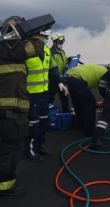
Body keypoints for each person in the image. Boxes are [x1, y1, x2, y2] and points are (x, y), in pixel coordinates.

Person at [0, 16, 45, 196]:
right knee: (9, 149)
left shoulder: (7, 50)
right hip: (9, 113)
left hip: (7, 111)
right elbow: (35, 47)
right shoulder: (8, 48)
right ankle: (5, 186)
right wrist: (33, 31)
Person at [24, 29, 68, 162]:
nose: (45, 39)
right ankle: (30, 150)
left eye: (46, 37)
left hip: (44, 92)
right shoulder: (26, 51)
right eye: (44, 36)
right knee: (33, 124)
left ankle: (39, 145)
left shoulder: (47, 51)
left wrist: (60, 81)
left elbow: (52, 68)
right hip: (31, 94)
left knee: (44, 122)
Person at [65, 64, 108, 137]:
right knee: (90, 104)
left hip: (69, 77)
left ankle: (80, 124)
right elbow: (102, 89)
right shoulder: (106, 75)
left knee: (78, 102)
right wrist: (107, 100)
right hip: (78, 79)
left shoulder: (101, 70)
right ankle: (90, 131)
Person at [49, 32, 70, 112]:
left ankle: (66, 111)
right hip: (53, 79)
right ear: (54, 43)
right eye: (60, 42)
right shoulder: (51, 52)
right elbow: (53, 66)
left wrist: (69, 60)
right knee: (50, 96)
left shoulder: (62, 52)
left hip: (61, 78)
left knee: (64, 96)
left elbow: (63, 62)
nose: (61, 44)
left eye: (62, 42)